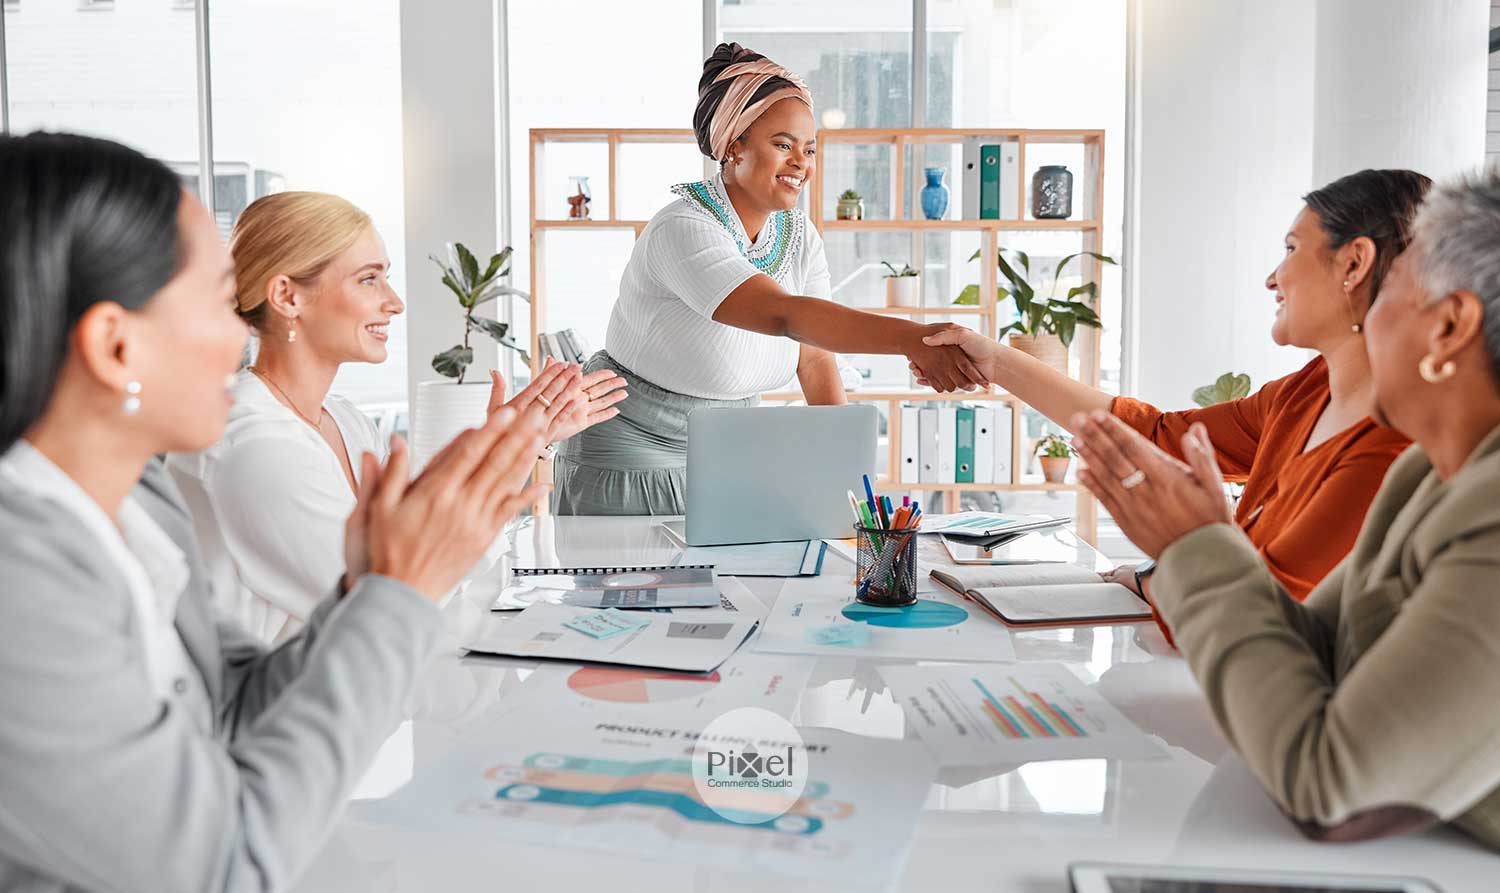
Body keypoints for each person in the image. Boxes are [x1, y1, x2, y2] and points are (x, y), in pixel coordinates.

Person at [0, 132, 550, 890]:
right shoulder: (19, 585)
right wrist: (399, 593)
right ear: (116, 347)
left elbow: (231, 708)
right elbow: (220, 866)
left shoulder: (139, 503)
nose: (238, 334)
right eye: (212, 300)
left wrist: (369, 589)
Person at [1068, 166, 1500, 847]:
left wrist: (1196, 545)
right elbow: (1311, 643)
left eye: (1395, 286)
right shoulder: (1427, 474)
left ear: (1448, 328)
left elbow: (1332, 790)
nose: (1374, 306)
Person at [916, 169, 1428, 620]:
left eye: (1292, 249)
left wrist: (1154, 573)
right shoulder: (1307, 391)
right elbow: (1159, 435)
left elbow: (1270, 610)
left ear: (1354, 264)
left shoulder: (1394, 447)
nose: (1273, 277)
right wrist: (998, 361)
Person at [166, 191, 627, 642]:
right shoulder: (254, 446)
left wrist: (519, 440)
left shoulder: (344, 421)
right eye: (369, 279)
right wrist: (509, 446)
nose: (394, 302)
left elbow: (430, 545)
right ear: (287, 296)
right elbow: (396, 598)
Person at [553, 42, 984, 515]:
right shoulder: (683, 228)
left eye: (810, 148)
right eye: (783, 144)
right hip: (630, 449)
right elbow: (783, 315)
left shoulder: (799, 234)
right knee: (644, 588)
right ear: (733, 146)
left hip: (729, 449)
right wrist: (913, 339)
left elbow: (815, 357)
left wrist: (848, 486)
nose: (801, 162)